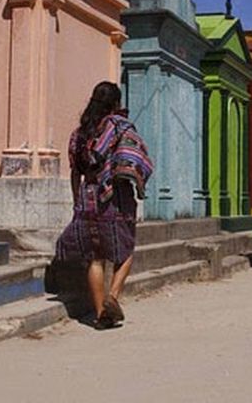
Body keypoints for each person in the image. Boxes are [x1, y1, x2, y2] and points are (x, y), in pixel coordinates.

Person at [55, 82, 153, 329]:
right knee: (127, 249)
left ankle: (101, 315)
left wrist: (77, 201)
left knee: (95, 257)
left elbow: (74, 172)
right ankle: (113, 296)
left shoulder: (79, 134)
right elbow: (135, 155)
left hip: (88, 197)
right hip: (115, 198)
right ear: (116, 103)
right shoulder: (120, 127)